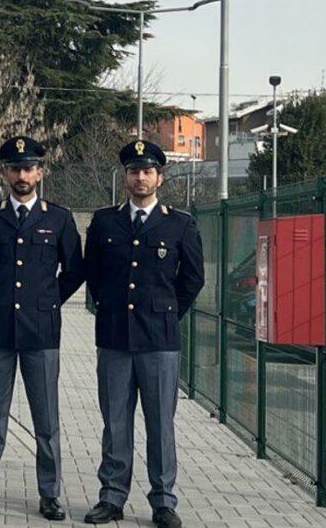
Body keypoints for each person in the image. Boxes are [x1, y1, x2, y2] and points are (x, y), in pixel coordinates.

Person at [0, 136, 85, 519]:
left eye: (29, 168)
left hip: (41, 334)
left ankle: (49, 494)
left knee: (46, 420)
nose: (22, 175)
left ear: (40, 172)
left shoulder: (58, 218)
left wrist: (48, 302)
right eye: (15, 168)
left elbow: (75, 270)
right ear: (4, 173)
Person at [82, 140, 204, 528]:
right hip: (116, 337)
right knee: (115, 422)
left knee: (160, 424)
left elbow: (192, 280)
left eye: (147, 171)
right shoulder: (104, 222)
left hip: (159, 341)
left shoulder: (179, 223)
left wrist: (166, 314)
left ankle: (163, 502)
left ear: (159, 178)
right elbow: (95, 277)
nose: (140, 177)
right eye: (134, 171)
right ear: (125, 177)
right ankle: (112, 496)